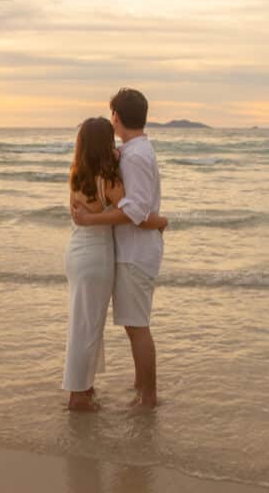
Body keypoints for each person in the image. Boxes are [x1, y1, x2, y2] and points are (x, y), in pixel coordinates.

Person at [63, 116, 167, 411]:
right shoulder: (108, 178)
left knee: (83, 323)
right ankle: (78, 395)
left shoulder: (78, 171)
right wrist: (161, 221)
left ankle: (83, 388)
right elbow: (133, 213)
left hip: (77, 251)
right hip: (96, 255)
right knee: (87, 325)